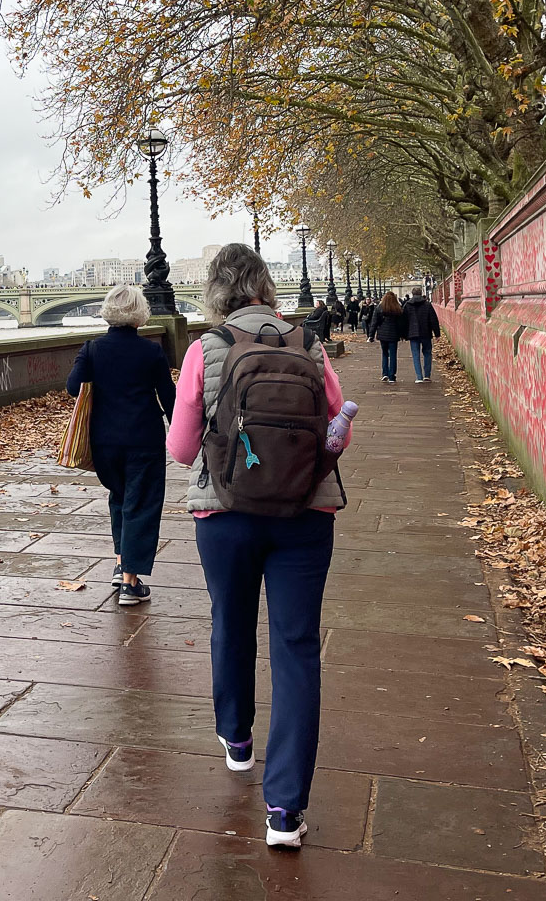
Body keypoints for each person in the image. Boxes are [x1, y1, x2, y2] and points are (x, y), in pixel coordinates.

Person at [167, 243, 349, 849]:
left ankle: (236, 737)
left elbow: (181, 449)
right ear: (266, 287)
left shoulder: (203, 349)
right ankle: (285, 812)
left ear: (217, 291)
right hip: (305, 510)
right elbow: (331, 430)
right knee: (297, 647)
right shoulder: (309, 345)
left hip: (226, 515)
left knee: (232, 621)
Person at [66, 283, 176, 607]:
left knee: (120, 498)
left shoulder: (91, 349)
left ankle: (119, 562)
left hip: (106, 443)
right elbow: (168, 398)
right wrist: (185, 433)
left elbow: (74, 387)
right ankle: (131, 583)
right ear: (140, 313)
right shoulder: (152, 351)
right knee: (141, 505)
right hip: (144, 439)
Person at [403, 285, 442, 384]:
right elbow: (433, 320)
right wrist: (437, 334)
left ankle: (419, 376)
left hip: (413, 333)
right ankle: (427, 375)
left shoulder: (407, 305)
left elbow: (403, 321)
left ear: (412, 294)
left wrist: (403, 334)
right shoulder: (427, 305)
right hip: (426, 332)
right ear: (421, 294)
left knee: (415, 354)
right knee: (427, 353)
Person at [367, 290, 407, 382]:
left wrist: (371, 336)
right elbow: (401, 324)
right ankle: (392, 376)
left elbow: (374, 322)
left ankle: (385, 373)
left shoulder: (379, 308)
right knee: (393, 355)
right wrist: (403, 335)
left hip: (382, 335)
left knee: (385, 354)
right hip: (394, 335)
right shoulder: (397, 308)